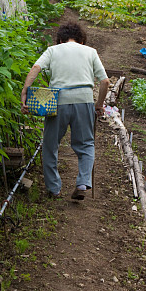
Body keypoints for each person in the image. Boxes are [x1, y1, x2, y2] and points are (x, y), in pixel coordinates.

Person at [21, 22, 110, 200]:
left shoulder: (53, 50)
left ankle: (54, 189)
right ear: (81, 40)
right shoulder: (90, 51)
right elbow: (105, 82)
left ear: (60, 39)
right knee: (85, 145)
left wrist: (25, 91)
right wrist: (98, 105)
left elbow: (36, 69)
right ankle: (83, 183)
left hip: (57, 102)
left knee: (50, 145)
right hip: (84, 100)